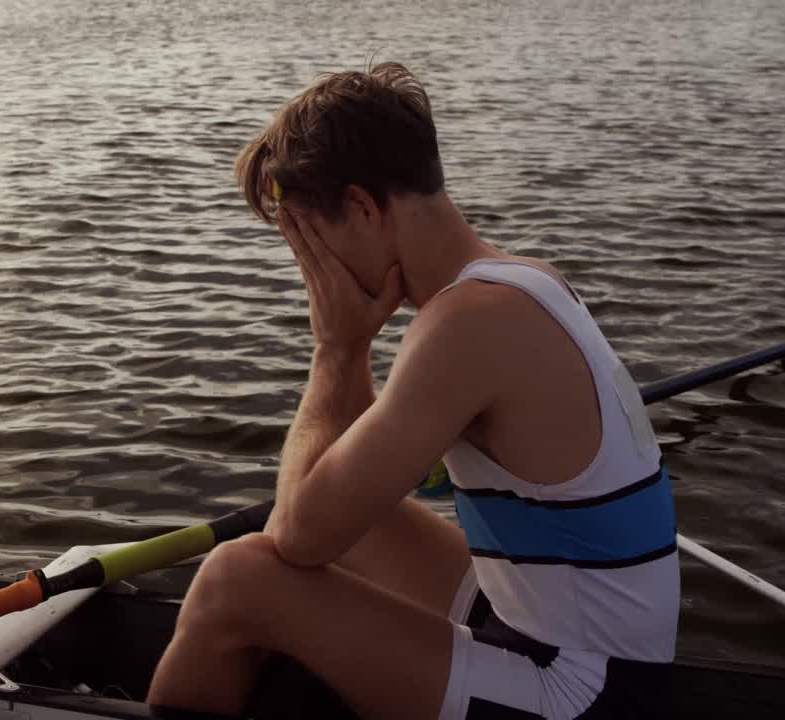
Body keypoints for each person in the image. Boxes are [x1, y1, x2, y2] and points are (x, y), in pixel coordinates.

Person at [146, 62, 678, 719]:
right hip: (568, 631)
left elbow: (298, 537)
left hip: (588, 694)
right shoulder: (518, 281)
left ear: (363, 209)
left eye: (311, 245)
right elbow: (341, 497)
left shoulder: (468, 326)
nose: (312, 272)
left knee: (237, 580)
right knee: (356, 530)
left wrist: (337, 348)